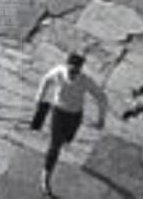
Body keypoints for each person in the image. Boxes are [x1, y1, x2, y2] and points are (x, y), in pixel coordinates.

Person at [35, 53, 107, 194]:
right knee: (54, 146)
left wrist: (101, 119)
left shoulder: (85, 80)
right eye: (71, 70)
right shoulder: (58, 72)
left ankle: (62, 142)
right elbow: (46, 79)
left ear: (80, 70)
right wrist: (39, 98)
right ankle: (46, 177)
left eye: (76, 71)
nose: (73, 74)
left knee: (67, 139)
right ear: (66, 66)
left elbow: (101, 97)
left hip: (75, 116)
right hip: (58, 113)